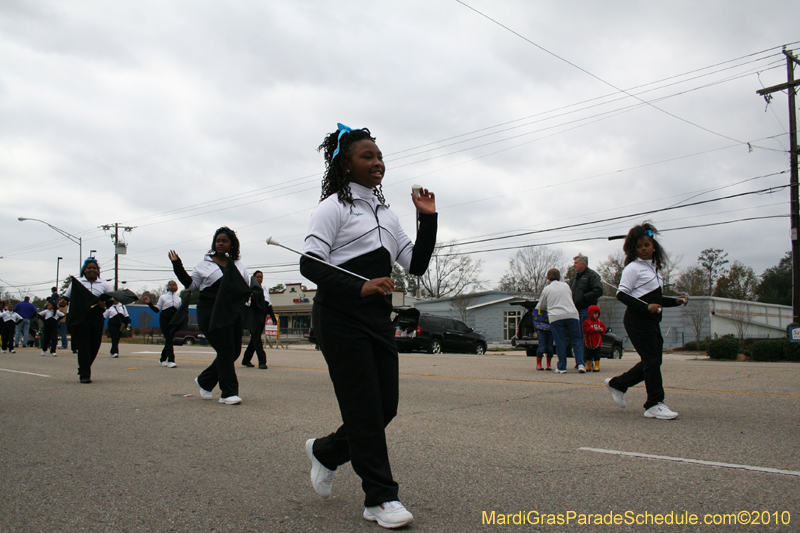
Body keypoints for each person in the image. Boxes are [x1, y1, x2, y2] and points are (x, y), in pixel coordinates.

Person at [301, 124, 437, 529]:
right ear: (345, 164)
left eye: (379, 156)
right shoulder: (333, 208)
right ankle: (380, 498)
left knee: (385, 408)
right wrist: (360, 285)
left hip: (377, 319)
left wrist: (426, 220)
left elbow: (417, 265)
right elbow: (309, 263)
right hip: (339, 318)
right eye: (367, 156)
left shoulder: (387, 214)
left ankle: (326, 451)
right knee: (363, 409)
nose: (377, 162)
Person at [604, 223, 688, 420]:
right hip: (636, 321)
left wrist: (676, 301)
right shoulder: (633, 268)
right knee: (652, 361)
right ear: (634, 248)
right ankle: (654, 404)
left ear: (654, 246)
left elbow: (655, 300)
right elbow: (621, 294)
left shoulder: (654, 270)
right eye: (639, 246)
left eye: (647, 244)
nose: (643, 248)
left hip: (650, 321)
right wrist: (645, 307)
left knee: (653, 361)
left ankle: (618, 383)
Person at [171, 227, 250, 405]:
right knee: (226, 350)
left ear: (232, 245)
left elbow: (243, 289)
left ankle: (205, 380)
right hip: (211, 311)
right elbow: (191, 285)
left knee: (235, 351)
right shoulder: (204, 264)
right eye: (218, 240)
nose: (220, 243)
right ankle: (228, 393)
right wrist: (177, 266)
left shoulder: (238, 265)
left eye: (224, 241)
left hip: (232, 310)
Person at [61, 258, 112, 383]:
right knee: (83, 346)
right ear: (84, 269)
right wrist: (63, 302)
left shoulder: (104, 284)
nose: (91, 270)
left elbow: (110, 302)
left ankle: (84, 367)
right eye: (89, 268)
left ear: (97, 270)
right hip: (80, 316)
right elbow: (66, 296)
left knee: (95, 345)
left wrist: (103, 304)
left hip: (96, 316)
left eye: (94, 268)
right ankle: (85, 374)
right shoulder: (77, 282)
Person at [536, 269, 586, 373]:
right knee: (577, 340)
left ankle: (562, 367)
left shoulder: (547, 289)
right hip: (572, 314)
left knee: (560, 342)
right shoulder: (566, 286)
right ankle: (581, 364)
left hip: (556, 317)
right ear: (559, 277)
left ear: (548, 278)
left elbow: (542, 305)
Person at [241, 271, 278, 370]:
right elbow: (246, 305)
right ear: (254, 278)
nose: (260, 279)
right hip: (253, 319)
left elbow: (268, 305)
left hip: (261, 318)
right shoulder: (251, 291)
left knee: (254, 340)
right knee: (257, 340)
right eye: (257, 277)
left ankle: (246, 360)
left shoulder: (265, 290)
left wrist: (273, 317)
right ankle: (262, 361)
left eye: (261, 277)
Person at [143, 281, 182, 368]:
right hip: (164, 319)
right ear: (168, 287)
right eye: (170, 285)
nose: (172, 286)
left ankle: (162, 359)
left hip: (173, 321)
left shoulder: (179, 299)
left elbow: (181, 311)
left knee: (170, 339)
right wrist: (149, 303)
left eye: (174, 285)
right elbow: (157, 309)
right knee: (168, 338)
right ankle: (171, 360)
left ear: (176, 287)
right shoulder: (163, 297)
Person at [571, 254, 603, 340]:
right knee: (577, 332)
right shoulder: (575, 278)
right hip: (575, 310)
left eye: (576, 263)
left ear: (583, 264)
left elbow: (598, 290)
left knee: (585, 331)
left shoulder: (592, 275)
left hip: (587, 309)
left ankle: (586, 350)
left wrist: (584, 298)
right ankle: (579, 351)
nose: (574, 265)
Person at [582, 304, 606, 372]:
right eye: (595, 313)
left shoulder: (600, 322)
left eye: (598, 314)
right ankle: (588, 365)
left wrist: (602, 329)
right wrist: (593, 329)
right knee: (588, 355)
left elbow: (604, 329)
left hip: (597, 343)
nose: (597, 315)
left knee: (597, 355)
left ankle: (597, 366)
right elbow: (586, 330)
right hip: (589, 343)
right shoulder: (587, 322)